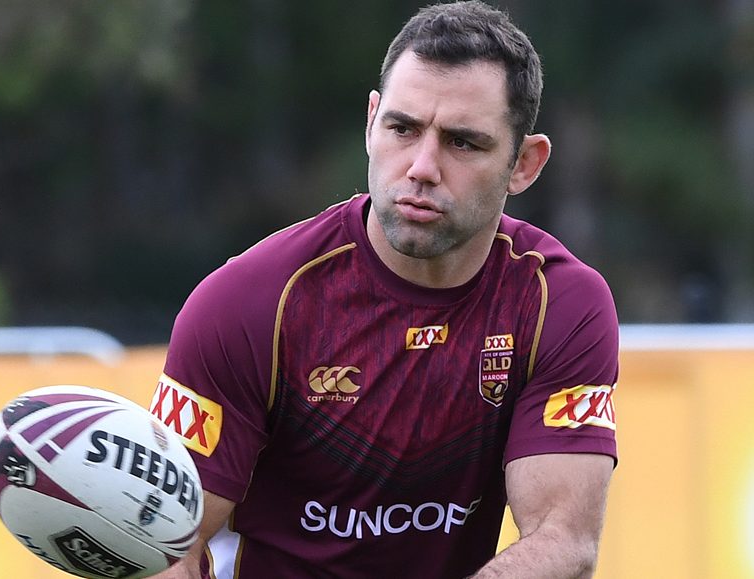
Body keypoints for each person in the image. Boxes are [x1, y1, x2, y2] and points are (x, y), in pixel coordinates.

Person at [151, 2, 619, 577]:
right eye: (403, 128)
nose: (422, 166)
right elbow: (168, 546)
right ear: (371, 123)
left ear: (524, 163)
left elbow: (563, 541)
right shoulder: (247, 303)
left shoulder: (558, 304)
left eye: (463, 143)